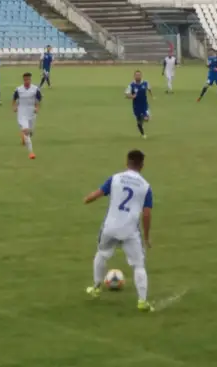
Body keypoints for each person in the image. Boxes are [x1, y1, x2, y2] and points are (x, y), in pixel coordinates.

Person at [84, 149, 154, 312]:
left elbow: (99, 193)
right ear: (142, 165)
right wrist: (147, 236)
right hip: (130, 231)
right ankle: (142, 301)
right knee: (139, 265)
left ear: (126, 163)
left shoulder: (115, 178)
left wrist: (88, 199)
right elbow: (147, 213)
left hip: (110, 227)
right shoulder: (145, 187)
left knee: (101, 254)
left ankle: (96, 287)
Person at [12, 72, 42, 160]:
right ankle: (31, 152)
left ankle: (24, 137)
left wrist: (37, 108)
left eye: (28, 79)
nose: (27, 81)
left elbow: (38, 100)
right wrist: (14, 107)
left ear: (30, 79)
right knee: (26, 131)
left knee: (30, 131)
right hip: (22, 112)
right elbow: (14, 99)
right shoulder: (19, 89)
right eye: (25, 80)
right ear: (23, 80)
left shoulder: (35, 89)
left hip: (31, 112)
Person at [125, 70, 152, 139]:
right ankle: (143, 134)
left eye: (139, 75)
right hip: (136, 106)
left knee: (146, 119)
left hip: (144, 105)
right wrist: (132, 96)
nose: (138, 76)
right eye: (136, 75)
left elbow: (149, 89)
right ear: (134, 76)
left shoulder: (145, 83)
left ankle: (143, 118)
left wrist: (152, 95)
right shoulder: (131, 85)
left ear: (141, 76)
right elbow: (126, 94)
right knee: (139, 122)